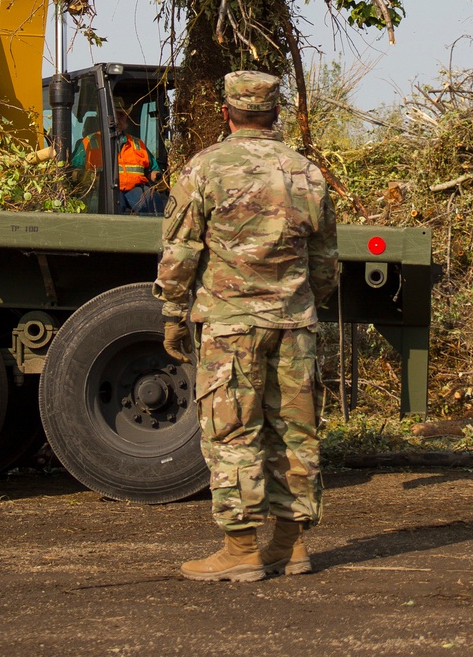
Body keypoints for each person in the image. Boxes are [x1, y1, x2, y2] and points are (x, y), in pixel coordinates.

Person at [154, 70, 338, 582]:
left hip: (232, 326)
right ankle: (290, 545)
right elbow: (325, 261)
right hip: (294, 324)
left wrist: (172, 313)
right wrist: (301, 301)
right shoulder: (306, 173)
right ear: (275, 113)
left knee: (234, 432)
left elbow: (181, 250)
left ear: (227, 112)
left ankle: (240, 549)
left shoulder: (206, 169)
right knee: (295, 432)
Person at [71, 98, 165, 214]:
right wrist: (88, 177)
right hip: (104, 191)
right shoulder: (89, 143)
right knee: (111, 206)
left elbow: (153, 170)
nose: (119, 118)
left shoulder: (137, 144)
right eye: (116, 114)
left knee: (153, 201)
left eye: (122, 114)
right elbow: (73, 173)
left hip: (135, 189)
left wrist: (159, 178)